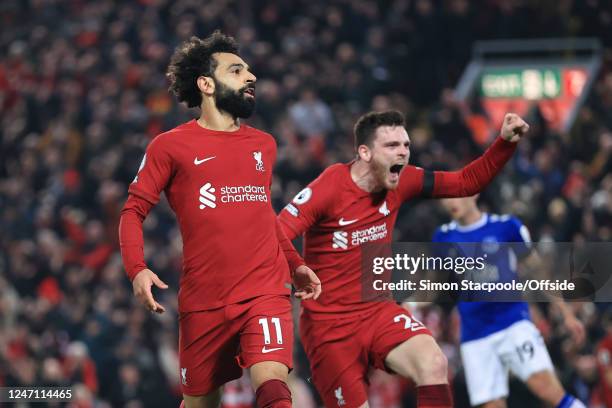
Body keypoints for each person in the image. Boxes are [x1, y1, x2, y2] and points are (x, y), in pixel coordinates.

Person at [118, 31, 321, 408]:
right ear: (206, 84)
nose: (251, 77)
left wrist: (294, 264)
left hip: (265, 291)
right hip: (204, 301)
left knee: (275, 389)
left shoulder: (264, 144)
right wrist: (137, 269)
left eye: (248, 70)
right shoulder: (169, 146)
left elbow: (262, 215)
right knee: (199, 403)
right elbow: (132, 212)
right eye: (237, 70)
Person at [278, 109, 529, 408]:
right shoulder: (330, 186)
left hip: (378, 312)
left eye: (406, 145)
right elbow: (278, 232)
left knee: (433, 361)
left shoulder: (403, 180)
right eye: (392, 146)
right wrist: (298, 269)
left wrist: (504, 143)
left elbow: (465, 182)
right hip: (328, 329)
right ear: (365, 152)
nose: (403, 153)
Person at [433, 195, 586, 408]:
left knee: (547, 390)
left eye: (456, 193)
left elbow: (538, 272)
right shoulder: (442, 238)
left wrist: (566, 314)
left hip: (512, 322)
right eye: (445, 196)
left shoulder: (506, 227)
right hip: (475, 333)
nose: (450, 202)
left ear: (475, 192)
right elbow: (434, 283)